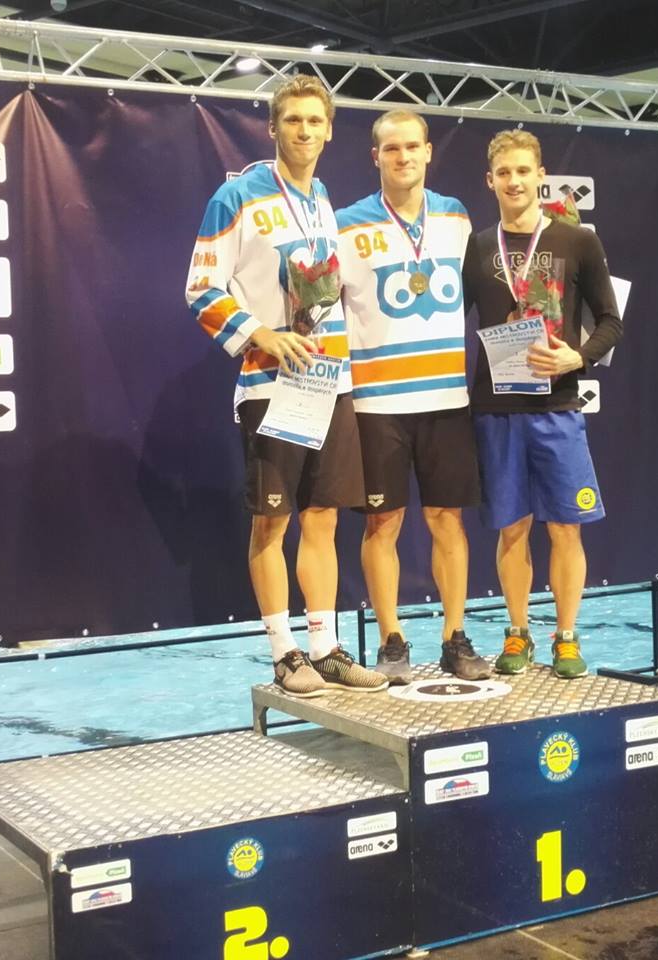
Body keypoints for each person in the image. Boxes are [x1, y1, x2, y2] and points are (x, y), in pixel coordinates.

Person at [185, 75, 387, 698]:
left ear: (329, 131)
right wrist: (260, 335)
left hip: (328, 381)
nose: (304, 131)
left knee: (323, 518)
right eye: (293, 120)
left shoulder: (322, 198)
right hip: (269, 384)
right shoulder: (237, 196)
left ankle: (324, 649)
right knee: (272, 523)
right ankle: (283, 653)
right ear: (273, 127)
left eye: (314, 121)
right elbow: (200, 289)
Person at [336, 110, 489, 683]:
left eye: (412, 147)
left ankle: (455, 637)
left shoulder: (455, 215)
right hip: (377, 402)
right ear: (375, 156)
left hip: (446, 398)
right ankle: (391, 641)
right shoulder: (346, 224)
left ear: (429, 152)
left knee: (449, 520)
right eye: (391, 148)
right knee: (383, 524)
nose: (403, 157)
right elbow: (324, 304)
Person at [463, 129, 622, 679]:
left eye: (523, 171)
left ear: (540, 176)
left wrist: (577, 357)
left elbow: (611, 321)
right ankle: (518, 632)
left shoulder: (577, 241)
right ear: (490, 180)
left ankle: (567, 637)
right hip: (496, 410)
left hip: (557, 408)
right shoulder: (477, 247)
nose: (514, 181)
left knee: (565, 528)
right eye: (504, 173)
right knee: (511, 528)